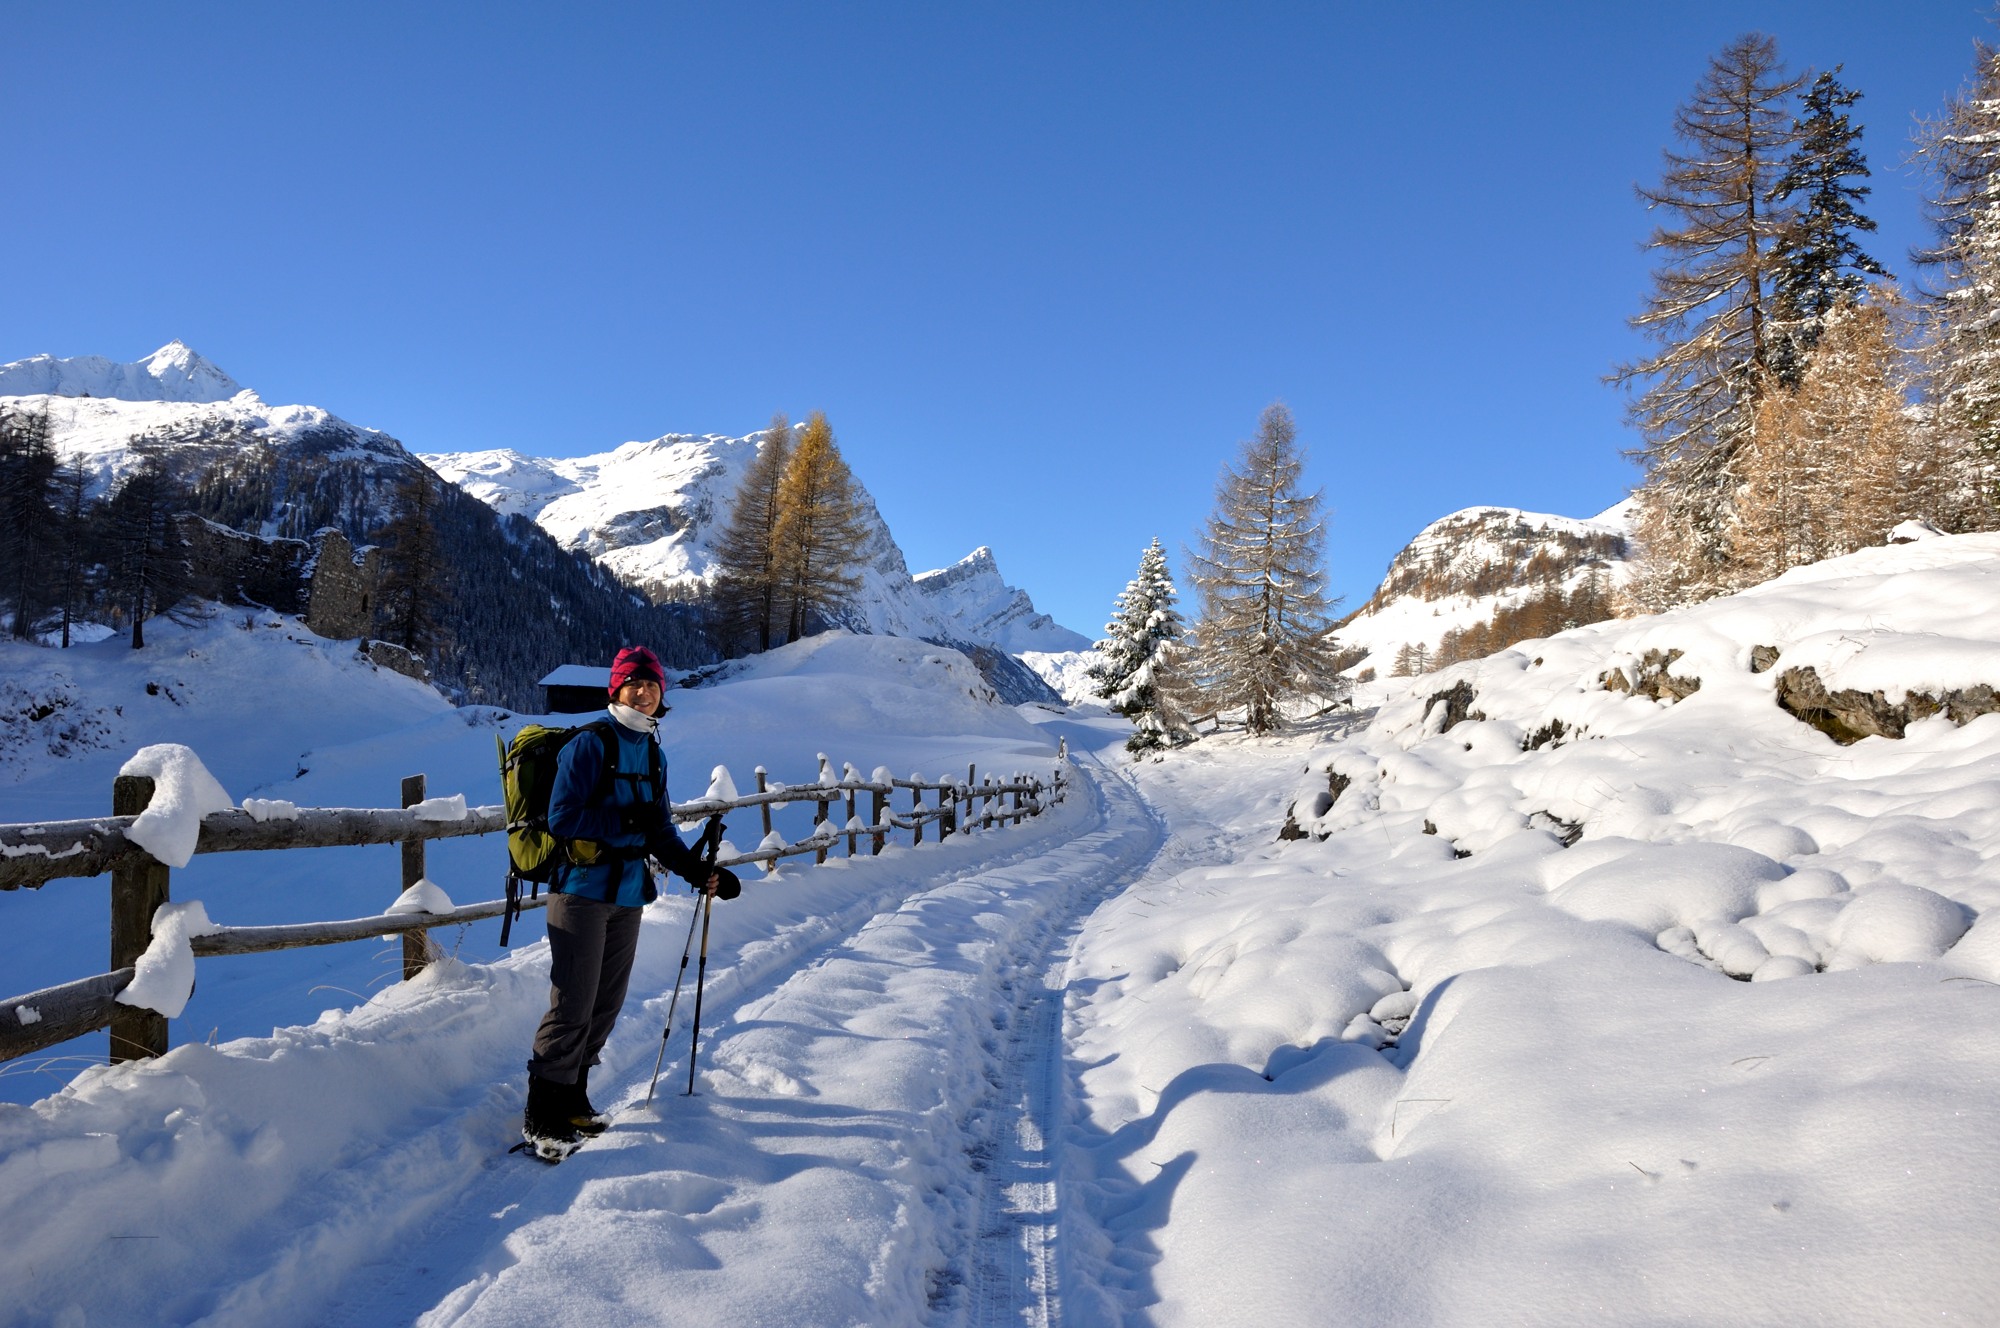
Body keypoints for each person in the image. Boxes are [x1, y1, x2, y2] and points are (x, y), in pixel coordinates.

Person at [522, 644, 741, 1156]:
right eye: (634, 684)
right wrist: (628, 823)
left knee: (606, 1002)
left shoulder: (653, 753)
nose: (644, 693)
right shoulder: (591, 743)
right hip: (580, 890)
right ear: (616, 689)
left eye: (652, 685)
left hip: (626, 894)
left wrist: (702, 873)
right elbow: (563, 818)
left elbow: (660, 832)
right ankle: (542, 1111)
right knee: (573, 1001)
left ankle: (574, 1096)